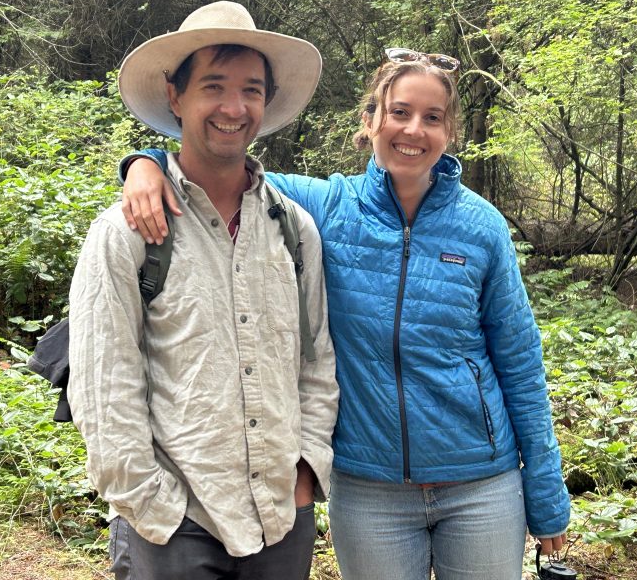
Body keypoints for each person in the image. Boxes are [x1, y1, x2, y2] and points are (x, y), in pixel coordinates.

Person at [120, 47, 570, 580]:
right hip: (368, 488)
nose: (413, 130)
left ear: (450, 132)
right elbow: (220, 169)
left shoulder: (482, 228)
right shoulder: (326, 206)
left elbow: (520, 365)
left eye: (432, 118)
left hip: (481, 484)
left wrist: (546, 498)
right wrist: (145, 163)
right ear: (371, 120)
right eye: (399, 112)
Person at [67, 1, 339, 580]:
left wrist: (305, 472)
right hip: (172, 526)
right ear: (176, 96)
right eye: (213, 86)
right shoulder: (128, 234)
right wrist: (151, 505)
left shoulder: (293, 229)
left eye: (251, 90)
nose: (233, 107)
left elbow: (316, 361)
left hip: (280, 520)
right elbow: (104, 382)